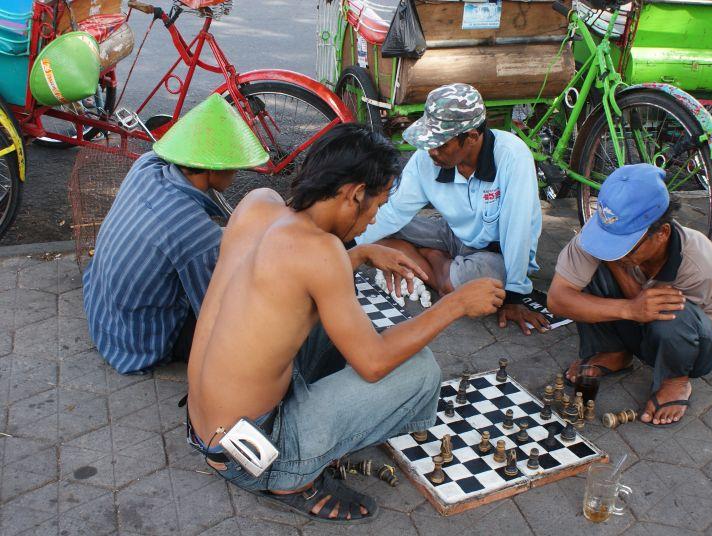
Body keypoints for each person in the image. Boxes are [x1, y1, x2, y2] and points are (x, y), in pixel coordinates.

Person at [186, 123, 505, 523]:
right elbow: (373, 362)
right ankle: (292, 479)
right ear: (354, 194)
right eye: (375, 205)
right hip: (254, 455)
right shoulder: (322, 252)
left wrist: (361, 254)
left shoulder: (259, 203)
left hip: (206, 431)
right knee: (420, 368)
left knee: (339, 317)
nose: (373, 219)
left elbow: (282, 279)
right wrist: (455, 304)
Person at [82, 93, 268, 374]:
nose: (238, 172)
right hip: (136, 342)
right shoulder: (196, 234)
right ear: (211, 169)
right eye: (234, 166)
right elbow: (215, 309)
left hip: (101, 311)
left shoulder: (146, 165)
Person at [548, 164, 712, 426]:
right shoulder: (605, 228)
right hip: (641, 320)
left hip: (698, 344)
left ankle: (675, 380)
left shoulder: (700, 264)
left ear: (661, 234)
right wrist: (629, 308)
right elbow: (558, 298)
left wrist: (633, 300)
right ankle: (613, 351)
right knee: (587, 274)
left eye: (626, 245)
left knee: (671, 311)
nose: (616, 252)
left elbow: (671, 326)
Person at [355, 83, 548, 335]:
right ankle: (438, 260)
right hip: (451, 234)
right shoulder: (427, 158)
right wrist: (343, 248)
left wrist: (514, 295)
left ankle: (432, 257)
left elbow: (518, 232)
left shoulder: (512, 156)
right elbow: (394, 213)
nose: (431, 151)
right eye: (429, 141)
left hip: (496, 255)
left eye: (441, 144)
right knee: (372, 225)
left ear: (472, 137)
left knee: (470, 287)